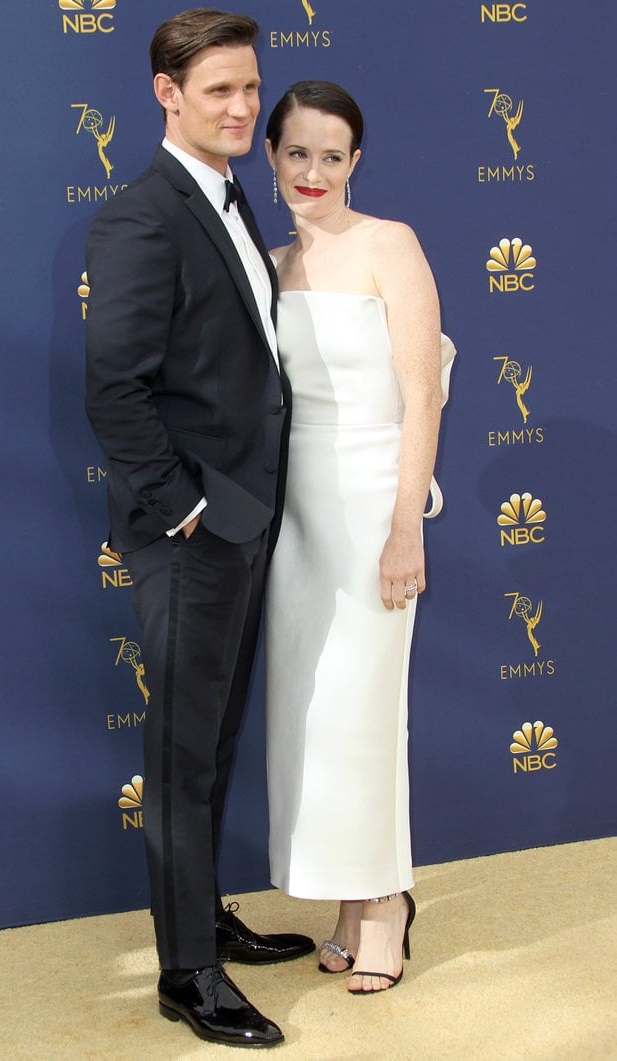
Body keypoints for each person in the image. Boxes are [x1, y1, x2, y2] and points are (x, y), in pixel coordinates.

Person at [84, 10, 314, 1048]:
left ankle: (202, 914)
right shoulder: (142, 216)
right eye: (217, 88)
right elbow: (114, 389)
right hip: (192, 531)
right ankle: (187, 971)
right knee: (181, 750)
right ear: (165, 93)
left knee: (212, 737)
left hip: (246, 518)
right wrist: (187, 509)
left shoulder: (222, 199)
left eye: (249, 88)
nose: (239, 106)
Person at [264, 81, 455, 996]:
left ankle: (386, 904)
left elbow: (423, 394)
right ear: (271, 157)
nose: (313, 172)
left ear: (355, 163)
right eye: (297, 152)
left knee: (366, 711)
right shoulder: (270, 265)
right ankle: (347, 898)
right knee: (316, 718)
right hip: (295, 514)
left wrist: (403, 526)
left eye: (331, 155)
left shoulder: (391, 245)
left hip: (377, 497)